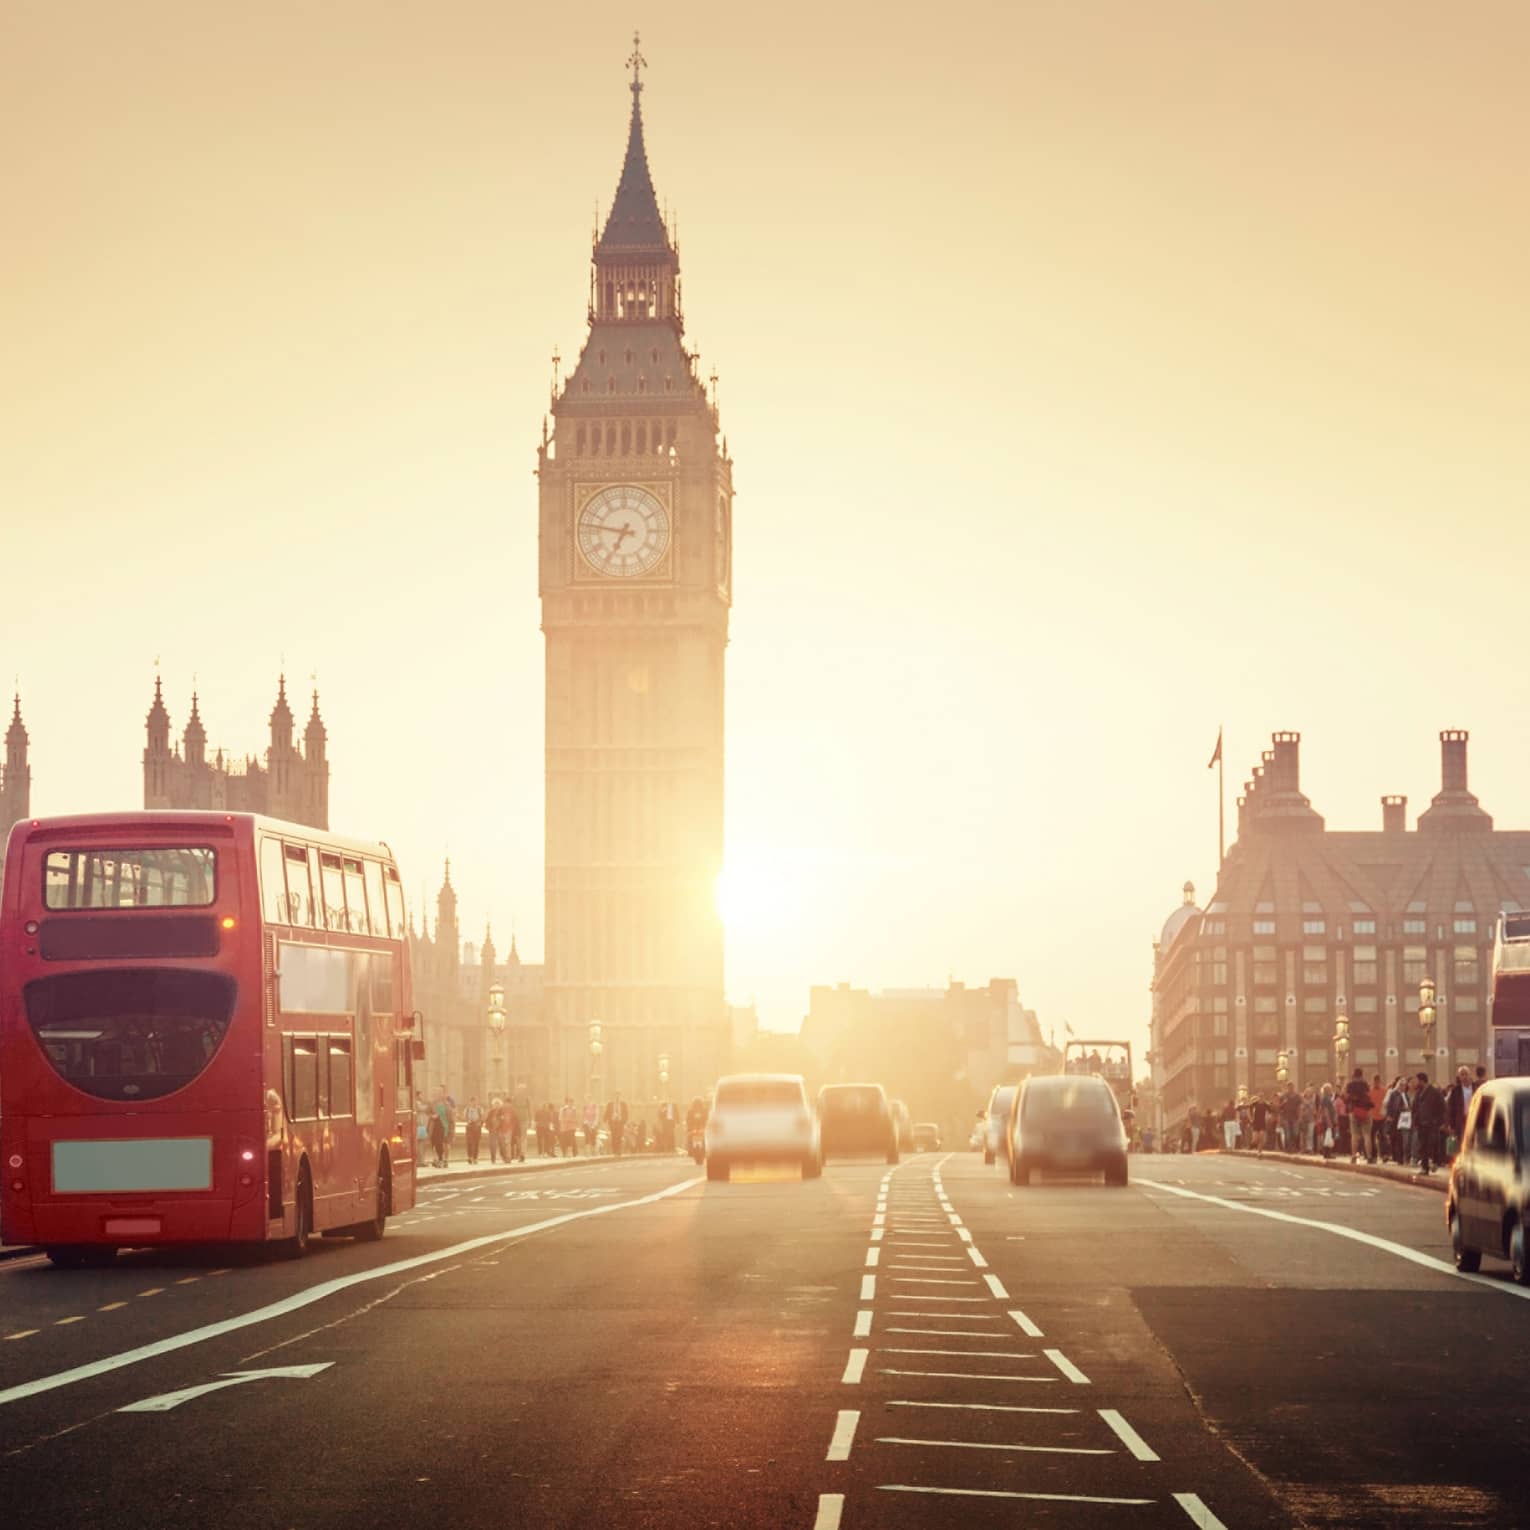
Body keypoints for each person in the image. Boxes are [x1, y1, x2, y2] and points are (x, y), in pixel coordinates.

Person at [1414, 1071, 1446, 1174]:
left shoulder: (1434, 1092)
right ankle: (1425, 1167)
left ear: (1422, 1081)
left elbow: (1443, 1107)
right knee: (1423, 1146)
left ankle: (1435, 1162)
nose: (1416, 1083)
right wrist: (1415, 1119)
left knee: (1433, 1144)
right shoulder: (1418, 1093)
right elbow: (1415, 1107)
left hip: (1432, 1124)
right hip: (1421, 1124)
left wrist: (1438, 1121)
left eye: (1417, 1081)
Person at [1444, 1065, 1475, 1158]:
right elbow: (1450, 1108)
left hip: (1475, 1119)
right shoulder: (1455, 1091)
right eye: (1462, 1075)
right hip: (1461, 1120)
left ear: (1470, 1075)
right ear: (1459, 1077)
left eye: (1466, 1074)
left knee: (1474, 1141)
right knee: (1462, 1142)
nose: (1464, 1077)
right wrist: (1450, 1124)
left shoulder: (1477, 1088)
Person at [1343, 1068, 1373, 1164]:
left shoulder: (1350, 1084)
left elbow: (1345, 1097)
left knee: (1355, 1135)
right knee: (1367, 1135)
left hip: (1354, 1111)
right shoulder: (1365, 1084)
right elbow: (1369, 1096)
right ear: (1361, 1074)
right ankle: (1369, 1156)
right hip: (1365, 1111)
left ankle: (1353, 1156)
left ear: (1353, 1074)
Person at [604, 1091, 630, 1156]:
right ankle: (614, 1151)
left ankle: (618, 1150)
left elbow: (626, 1114)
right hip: (612, 1122)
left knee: (619, 1136)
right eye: (616, 1096)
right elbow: (607, 1113)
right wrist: (605, 1120)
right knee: (614, 1137)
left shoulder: (623, 1104)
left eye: (618, 1096)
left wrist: (625, 1122)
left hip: (620, 1122)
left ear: (620, 1096)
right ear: (614, 1096)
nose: (617, 1097)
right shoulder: (610, 1104)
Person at [1315, 1084, 1337, 1160]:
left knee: (1328, 1136)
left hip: (1328, 1120)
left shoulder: (1326, 1098)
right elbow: (1325, 1110)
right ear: (1327, 1090)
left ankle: (1327, 1153)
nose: (1331, 1090)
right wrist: (1329, 1122)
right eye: (1330, 1089)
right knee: (1328, 1136)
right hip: (1328, 1121)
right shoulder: (1326, 1099)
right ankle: (1327, 1153)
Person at [464, 1096, 485, 1166]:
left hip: (477, 1127)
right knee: (469, 1142)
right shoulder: (467, 1109)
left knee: (476, 1142)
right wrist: (467, 1120)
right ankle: (470, 1157)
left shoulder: (479, 1109)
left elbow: (482, 1117)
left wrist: (479, 1122)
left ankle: (475, 1157)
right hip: (469, 1127)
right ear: (470, 1102)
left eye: (475, 1101)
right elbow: (464, 1117)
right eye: (472, 1102)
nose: (474, 1103)